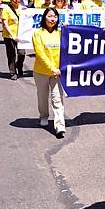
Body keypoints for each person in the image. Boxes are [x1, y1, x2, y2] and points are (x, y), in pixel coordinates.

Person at [32, 7, 66, 138]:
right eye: (50, 16)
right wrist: (52, 68)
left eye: (55, 16)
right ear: (44, 17)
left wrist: (68, 30)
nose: (52, 19)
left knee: (57, 99)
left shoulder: (60, 33)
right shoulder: (38, 33)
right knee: (42, 97)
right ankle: (44, 116)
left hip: (57, 74)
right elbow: (40, 54)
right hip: (41, 72)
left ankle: (60, 126)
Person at [1, 0, 25, 80]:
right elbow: (5, 23)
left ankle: (19, 66)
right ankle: (13, 72)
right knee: (11, 55)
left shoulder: (23, 9)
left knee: (21, 53)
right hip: (9, 36)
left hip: (20, 35)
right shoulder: (6, 9)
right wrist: (12, 35)